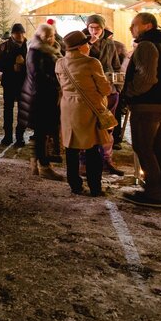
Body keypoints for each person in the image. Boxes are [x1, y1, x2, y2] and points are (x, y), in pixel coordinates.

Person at [121, 12, 161, 208]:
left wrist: (129, 92)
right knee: (159, 146)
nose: (131, 28)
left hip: (149, 103)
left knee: (144, 146)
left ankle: (154, 193)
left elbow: (146, 78)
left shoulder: (147, 45)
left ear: (147, 25)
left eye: (134, 24)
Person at [56, 30, 113, 197]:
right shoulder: (92, 63)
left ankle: (74, 184)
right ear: (81, 46)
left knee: (71, 148)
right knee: (93, 148)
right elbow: (105, 88)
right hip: (88, 109)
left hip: (68, 108)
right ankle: (95, 186)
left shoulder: (59, 63)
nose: (89, 45)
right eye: (87, 43)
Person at [18, 23, 63, 181]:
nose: (51, 39)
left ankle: (35, 164)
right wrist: (57, 81)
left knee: (41, 133)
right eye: (48, 37)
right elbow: (37, 75)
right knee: (41, 132)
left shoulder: (48, 50)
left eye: (52, 35)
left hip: (42, 96)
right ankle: (44, 166)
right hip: (39, 97)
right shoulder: (36, 51)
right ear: (40, 36)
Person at [83, 14, 124, 175]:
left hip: (109, 90)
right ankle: (85, 161)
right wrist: (88, 45)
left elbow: (116, 65)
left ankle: (107, 159)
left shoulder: (109, 44)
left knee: (108, 126)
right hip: (90, 91)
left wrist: (117, 86)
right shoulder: (82, 43)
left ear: (102, 28)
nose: (94, 31)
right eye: (91, 28)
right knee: (88, 127)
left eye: (97, 28)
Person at [0, 23, 29, 147]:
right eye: (16, 33)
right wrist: (11, 66)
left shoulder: (29, 46)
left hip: (24, 83)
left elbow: (33, 64)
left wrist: (24, 64)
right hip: (9, 82)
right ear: (12, 34)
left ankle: (20, 136)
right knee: (8, 110)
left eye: (21, 33)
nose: (19, 35)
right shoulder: (4, 47)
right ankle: (8, 135)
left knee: (23, 111)